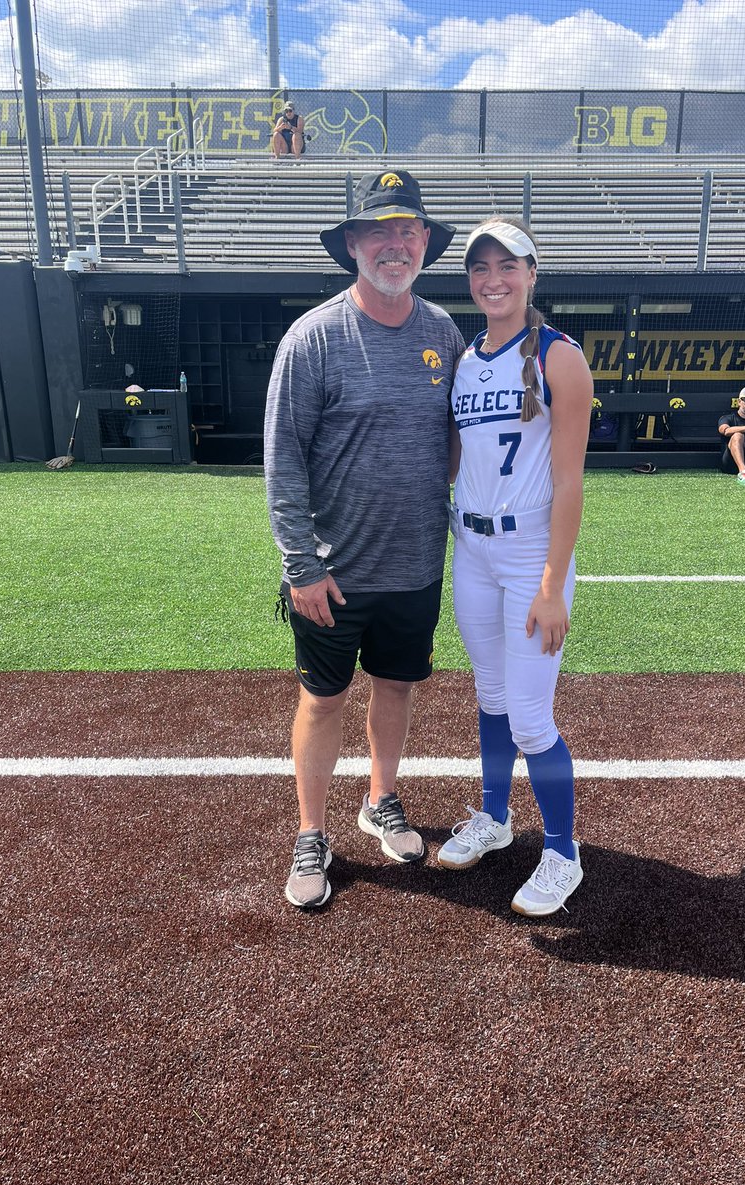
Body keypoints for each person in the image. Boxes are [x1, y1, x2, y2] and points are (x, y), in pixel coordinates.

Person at [265, 170, 465, 909]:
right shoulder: (314, 336)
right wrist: (300, 566)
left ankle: (381, 799)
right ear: (353, 244)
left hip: (416, 564)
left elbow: (452, 437)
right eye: (379, 231)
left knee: (397, 687)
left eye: (408, 231)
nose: (395, 244)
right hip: (334, 573)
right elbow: (283, 456)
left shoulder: (442, 331)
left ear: (424, 246)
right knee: (323, 699)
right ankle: (312, 833)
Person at [436, 217, 594, 917]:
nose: (493, 280)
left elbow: (569, 482)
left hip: (530, 548)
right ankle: (496, 818)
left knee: (530, 717)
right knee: (491, 696)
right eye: (480, 269)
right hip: (470, 547)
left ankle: (562, 850)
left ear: (533, 274)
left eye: (508, 266)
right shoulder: (465, 359)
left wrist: (552, 585)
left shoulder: (560, 356)